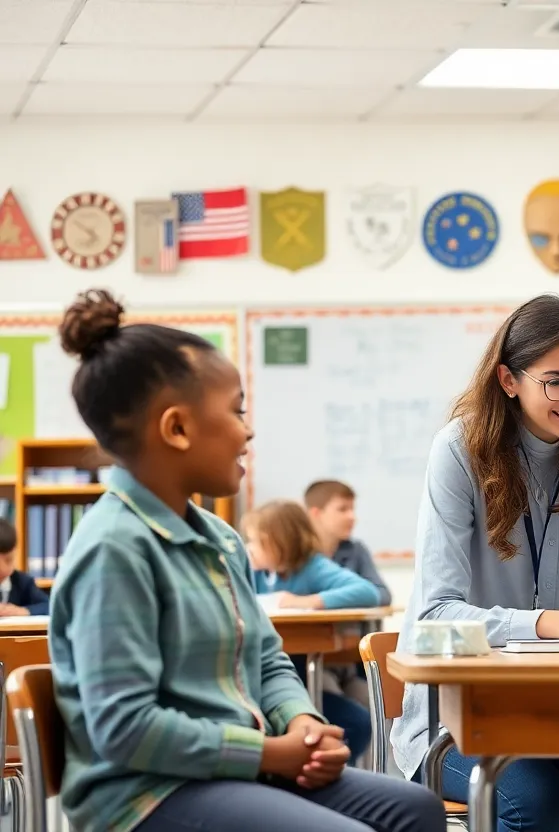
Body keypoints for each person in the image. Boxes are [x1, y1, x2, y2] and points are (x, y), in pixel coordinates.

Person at [48, 288, 445, 832]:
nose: (249, 430)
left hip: (237, 773)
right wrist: (267, 753)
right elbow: (125, 728)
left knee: (416, 807)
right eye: (236, 411)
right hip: (147, 794)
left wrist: (302, 723)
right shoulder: (113, 547)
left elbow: (265, 659)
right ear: (177, 429)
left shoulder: (219, 538)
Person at [390, 294, 559, 832]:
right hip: (456, 718)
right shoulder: (459, 450)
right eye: (556, 381)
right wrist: (549, 625)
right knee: (533, 804)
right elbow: (433, 622)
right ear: (509, 380)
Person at [245, 499, 381, 762]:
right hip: (262, 677)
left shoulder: (312, 567)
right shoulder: (254, 572)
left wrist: (305, 602)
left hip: (305, 673)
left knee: (355, 723)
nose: (248, 549)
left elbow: (368, 592)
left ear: (279, 543)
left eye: (255, 541)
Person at [303, 480, 391, 606]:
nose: (352, 517)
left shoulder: (356, 550)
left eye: (352, 509)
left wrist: (322, 601)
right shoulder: (298, 553)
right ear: (315, 513)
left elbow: (382, 595)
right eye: (342, 509)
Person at [0, 518, 49, 616]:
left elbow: (49, 605)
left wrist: (23, 611)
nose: (3, 568)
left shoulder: (22, 582)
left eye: (8, 560)